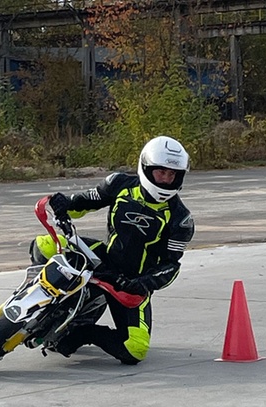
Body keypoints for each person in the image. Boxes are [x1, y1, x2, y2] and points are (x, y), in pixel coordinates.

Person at [29, 135, 194, 364]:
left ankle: (83, 331)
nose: (166, 179)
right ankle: (34, 295)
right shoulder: (119, 183)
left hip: (131, 283)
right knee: (42, 244)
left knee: (135, 349)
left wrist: (144, 283)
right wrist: (65, 203)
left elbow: (171, 266)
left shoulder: (181, 218)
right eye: (161, 172)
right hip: (100, 258)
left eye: (172, 174)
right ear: (146, 168)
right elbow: (85, 201)